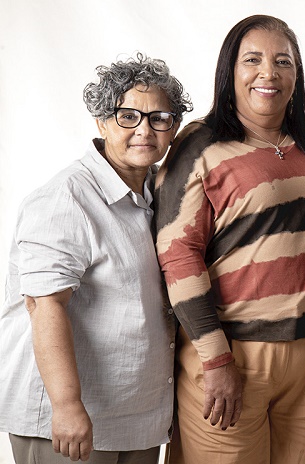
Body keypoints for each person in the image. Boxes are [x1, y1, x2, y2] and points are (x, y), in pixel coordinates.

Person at [153, 15, 305, 464]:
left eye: (282, 61)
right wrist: (215, 358)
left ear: (297, 74)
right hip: (233, 354)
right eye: (252, 60)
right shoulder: (200, 143)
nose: (268, 72)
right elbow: (178, 254)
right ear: (229, 71)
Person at [0, 53, 191, 463]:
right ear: (102, 122)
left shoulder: (158, 195)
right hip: (69, 418)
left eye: (159, 118)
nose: (144, 130)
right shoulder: (67, 198)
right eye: (128, 116)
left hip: (136, 418)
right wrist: (67, 405)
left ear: (174, 127)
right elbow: (43, 305)